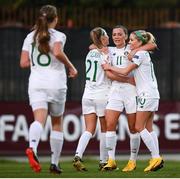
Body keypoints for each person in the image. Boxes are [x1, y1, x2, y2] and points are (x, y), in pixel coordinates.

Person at [20, 5, 78, 174]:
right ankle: (54, 163)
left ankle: (32, 147)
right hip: (56, 83)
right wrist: (71, 67)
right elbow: (58, 52)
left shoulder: (30, 36)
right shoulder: (59, 35)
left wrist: (37, 63)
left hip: (36, 83)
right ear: (56, 19)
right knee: (57, 122)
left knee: (39, 120)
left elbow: (23, 63)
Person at [102, 30, 164, 172]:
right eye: (129, 40)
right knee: (148, 128)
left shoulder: (140, 53)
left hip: (145, 94)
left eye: (132, 40)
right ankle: (156, 157)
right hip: (152, 93)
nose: (130, 42)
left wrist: (109, 67)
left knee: (138, 127)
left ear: (140, 42)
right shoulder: (140, 52)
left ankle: (155, 157)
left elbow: (124, 72)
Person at [72, 27, 132, 172]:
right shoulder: (105, 54)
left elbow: (93, 46)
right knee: (106, 129)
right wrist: (127, 80)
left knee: (89, 130)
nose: (110, 37)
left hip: (87, 95)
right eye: (107, 35)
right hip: (102, 94)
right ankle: (103, 161)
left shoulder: (90, 52)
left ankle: (78, 155)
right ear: (103, 38)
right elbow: (109, 73)